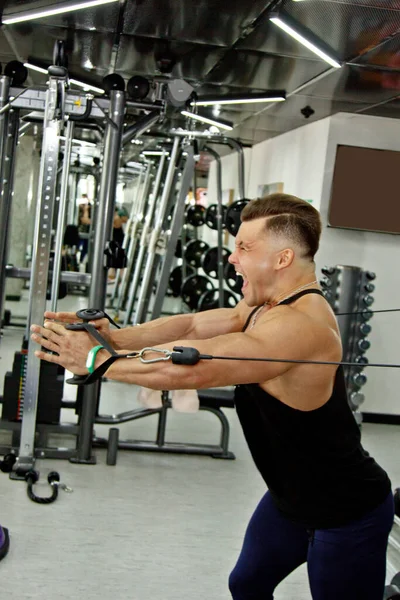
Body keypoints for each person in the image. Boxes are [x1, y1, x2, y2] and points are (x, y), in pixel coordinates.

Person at [30, 193, 394, 600]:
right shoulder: (265, 306)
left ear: (282, 258)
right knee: (247, 583)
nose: (232, 257)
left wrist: (99, 361)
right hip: (289, 499)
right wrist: (114, 337)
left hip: (345, 513)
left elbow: (195, 368)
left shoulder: (301, 327)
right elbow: (193, 324)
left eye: (244, 247)